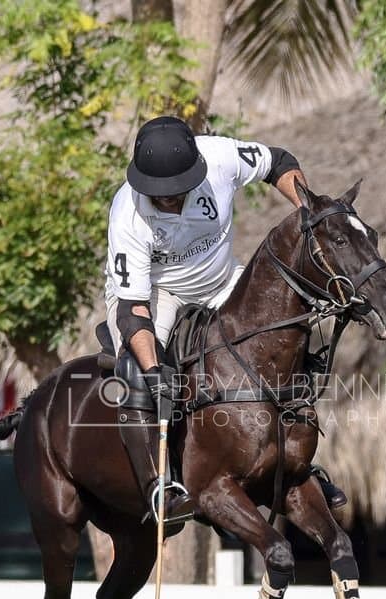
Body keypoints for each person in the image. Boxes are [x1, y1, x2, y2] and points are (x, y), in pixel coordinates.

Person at [105, 116, 347, 520]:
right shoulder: (127, 212)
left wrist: (309, 211)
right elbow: (133, 312)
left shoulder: (219, 157)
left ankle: (300, 464)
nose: (167, 199)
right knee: (136, 377)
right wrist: (153, 370)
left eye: (175, 191)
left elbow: (278, 162)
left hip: (221, 281)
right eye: (158, 194)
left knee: (287, 339)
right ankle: (158, 487)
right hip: (156, 294)